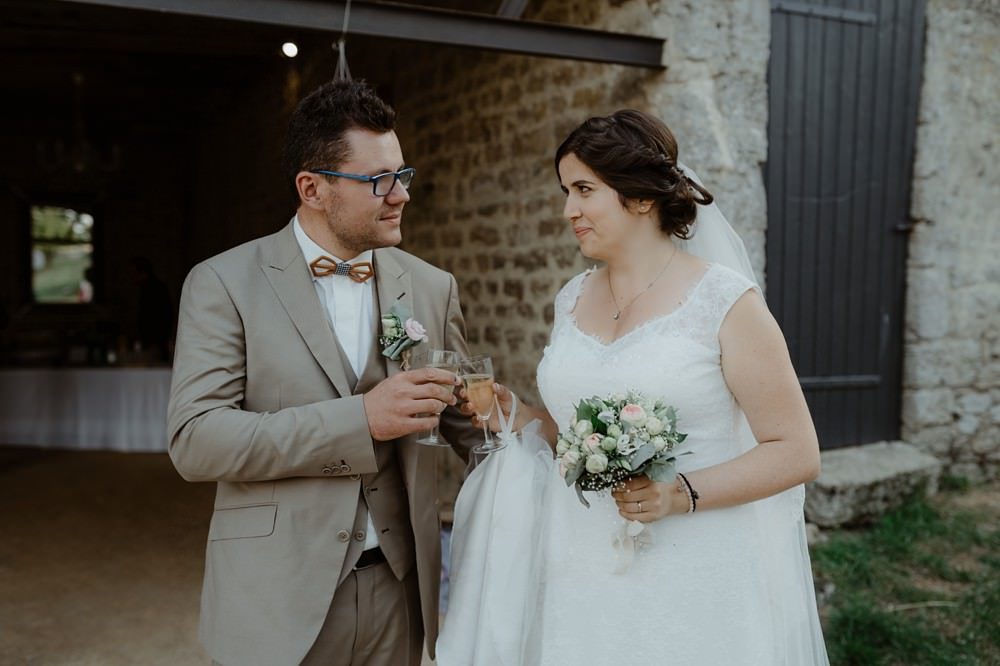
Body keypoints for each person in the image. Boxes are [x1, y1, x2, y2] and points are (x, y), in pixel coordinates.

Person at [439, 109, 830, 665]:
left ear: (641, 198)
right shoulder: (570, 298)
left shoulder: (725, 303)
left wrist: (679, 493)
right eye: (565, 191)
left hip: (694, 565)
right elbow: (572, 434)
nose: (568, 209)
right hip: (578, 561)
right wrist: (519, 413)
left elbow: (796, 452)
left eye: (583, 190)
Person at [167, 79, 480, 666]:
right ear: (312, 188)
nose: (401, 195)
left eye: (402, 175)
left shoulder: (433, 288)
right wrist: (360, 419)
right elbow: (196, 442)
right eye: (377, 181)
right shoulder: (223, 284)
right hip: (276, 598)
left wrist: (561, 448)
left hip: (398, 593)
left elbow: (468, 425)